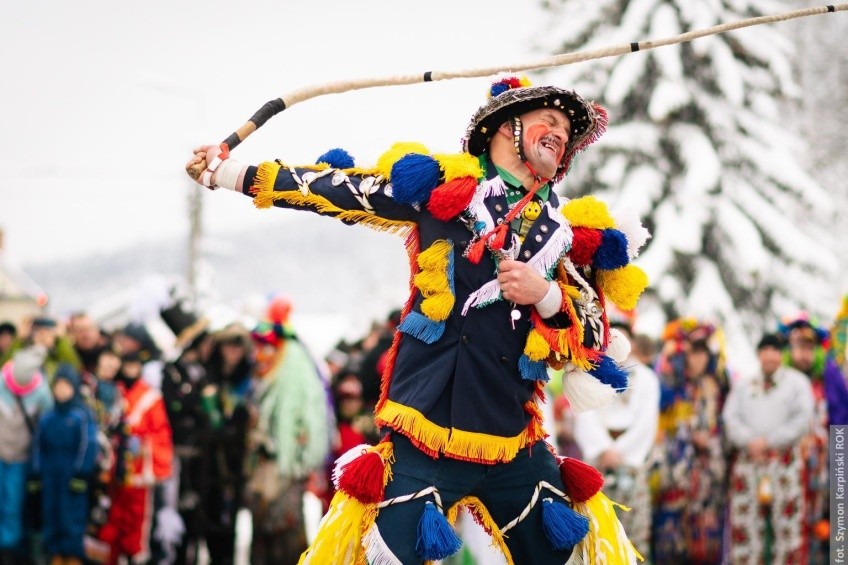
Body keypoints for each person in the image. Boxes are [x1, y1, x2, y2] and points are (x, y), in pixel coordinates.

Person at [187, 76, 650, 563]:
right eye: (548, 119)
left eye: (566, 128)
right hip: (422, 433)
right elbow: (339, 190)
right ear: (503, 128)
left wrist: (549, 295)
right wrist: (228, 171)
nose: (559, 131)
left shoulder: (564, 236)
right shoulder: (444, 193)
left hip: (513, 443)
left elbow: (597, 336)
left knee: (573, 551)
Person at [243, 297, 332, 564]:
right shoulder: (260, 382)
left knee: (285, 533)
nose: (261, 355)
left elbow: (312, 428)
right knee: (262, 535)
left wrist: (298, 462)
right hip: (262, 471)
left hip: (287, 471)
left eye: (268, 348)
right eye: (258, 347)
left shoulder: (295, 376)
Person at [723, 333, 814, 564]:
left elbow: (803, 418)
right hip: (749, 460)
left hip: (784, 462)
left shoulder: (797, 383)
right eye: (766, 350)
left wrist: (770, 441)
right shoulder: (744, 384)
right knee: (745, 527)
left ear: (782, 354)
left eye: (776, 350)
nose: (771, 355)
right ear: (759, 354)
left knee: (788, 529)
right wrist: (750, 441)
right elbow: (730, 417)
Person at [573, 322, 659, 558]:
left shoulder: (648, 378)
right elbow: (584, 414)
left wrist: (619, 452)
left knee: (634, 535)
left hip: (630, 462)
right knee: (597, 532)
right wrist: (603, 449)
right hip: (599, 464)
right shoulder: (589, 373)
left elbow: (646, 422)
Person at [651, 319, 729, 564]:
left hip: (707, 480)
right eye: (691, 352)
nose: (695, 359)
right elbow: (659, 420)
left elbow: (726, 428)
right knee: (669, 546)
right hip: (674, 476)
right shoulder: (669, 384)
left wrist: (710, 443)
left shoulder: (718, 386)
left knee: (704, 547)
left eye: (701, 352)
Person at [780, 312, 848, 563]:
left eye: (809, 347)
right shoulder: (781, 380)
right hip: (788, 472)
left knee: (828, 538)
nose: (803, 354)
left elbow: (841, 423)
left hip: (824, 472)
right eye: (798, 346)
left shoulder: (830, 380)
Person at [98, 351, 173, 565]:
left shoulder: (151, 396)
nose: (130, 370)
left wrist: (152, 459)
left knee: (137, 516)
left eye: (134, 366)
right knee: (113, 514)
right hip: (114, 467)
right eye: (127, 365)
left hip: (139, 469)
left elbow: (160, 432)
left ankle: (134, 556)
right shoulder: (115, 392)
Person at [31, 365, 98, 565]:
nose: (61, 390)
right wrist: (35, 473)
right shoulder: (47, 416)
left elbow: (89, 445)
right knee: (51, 513)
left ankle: (73, 554)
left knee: (72, 516)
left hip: (72, 474)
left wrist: (82, 473)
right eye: (58, 386)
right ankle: (54, 553)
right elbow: (37, 446)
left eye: (66, 386)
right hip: (50, 473)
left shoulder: (81, 415)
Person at [0, 346, 53, 565]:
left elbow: (45, 426)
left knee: (13, 503)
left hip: (21, 457)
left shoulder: (42, 392)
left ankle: (7, 547)